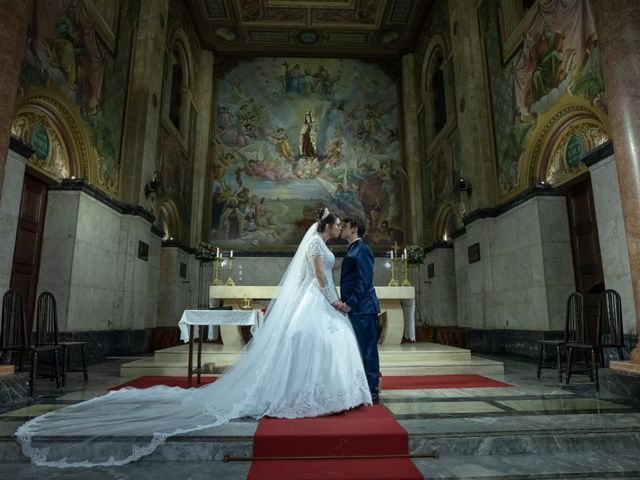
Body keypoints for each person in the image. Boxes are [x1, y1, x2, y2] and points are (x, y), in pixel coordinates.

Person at [16, 208, 371, 468]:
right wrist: (332, 300)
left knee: (319, 346)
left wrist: (332, 298)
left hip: (320, 301)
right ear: (325, 226)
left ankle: (322, 393)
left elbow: (323, 276)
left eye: (341, 225)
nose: (340, 227)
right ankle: (308, 394)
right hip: (318, 301)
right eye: (337, 224)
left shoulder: (325, 245)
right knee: (314, 344)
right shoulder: (315, 247)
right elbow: (320, 280)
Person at [335, 217, 381, 404]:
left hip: (363, 309)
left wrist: (350, 303)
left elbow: (364, 281)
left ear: (353, 229)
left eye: (344, 226)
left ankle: (372, 390)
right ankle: (362, 387)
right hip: (357, 309)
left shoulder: (363, 249)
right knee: (359, 350)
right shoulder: (353, 249)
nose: (341, 229)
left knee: (368, 350)